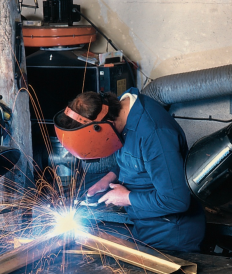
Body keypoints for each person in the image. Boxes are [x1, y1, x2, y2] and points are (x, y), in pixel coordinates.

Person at [53, 87, 206, 252]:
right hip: (145, 227)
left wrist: (126, 197)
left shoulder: (155, 135)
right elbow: (136, 159)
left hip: (171, 235)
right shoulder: (118, 112)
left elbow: (176, 200)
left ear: (105, 126)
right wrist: (108, 179)